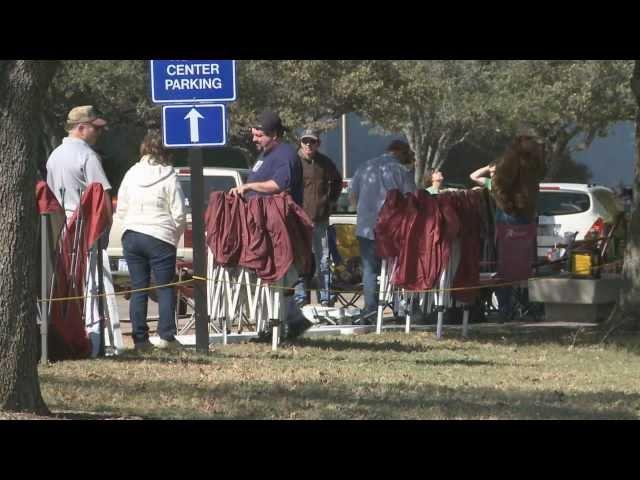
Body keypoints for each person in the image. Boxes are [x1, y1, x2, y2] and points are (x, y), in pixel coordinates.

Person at [46, 105, 122, 357]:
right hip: (85, 231)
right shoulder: (87, 155)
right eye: (95, 128)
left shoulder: (54, 156)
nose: (99, 133)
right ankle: (95, 342)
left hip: (59, 230)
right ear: (81, 128)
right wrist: (106, 229)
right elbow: (101, 196)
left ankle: (66, 338)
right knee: (93, 286)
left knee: (65, 287)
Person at [230, 111, 307, 341]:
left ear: (274, 135)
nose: (254, 139)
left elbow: (278, 184)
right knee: (268, 279)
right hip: (259, 226)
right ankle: (291, 322)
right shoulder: (265, 155)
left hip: (279, 227)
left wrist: (248, 187)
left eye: (259, 135)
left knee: (277, 277)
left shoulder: (285, 155)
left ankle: (279, 327)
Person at [115, 129, 187, 351]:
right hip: (160, 235)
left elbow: (122, 207)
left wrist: (131, 225)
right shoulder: (169, 174)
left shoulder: (131, 173)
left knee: (139, 288)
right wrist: (173, 236)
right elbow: (179, 213)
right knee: (165, 287)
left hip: (132, 234)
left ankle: (140, 340)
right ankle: (166, 336)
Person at [349, 140, 417, 323]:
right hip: (392, 229)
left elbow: (352, 195)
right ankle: (398, 308)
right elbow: (412, 199)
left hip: (366, 226)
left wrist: (362, 212)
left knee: (370, 270)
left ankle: (370, 310)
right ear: (400, 152)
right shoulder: (401, 171)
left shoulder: (364, 166)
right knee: (395, 269)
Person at [293, 128, 343, 307]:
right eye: (305, 141)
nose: (308, 144)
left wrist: (330, 202)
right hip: (299, 220)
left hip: (320, 220)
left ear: (318, 144)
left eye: (312, 141)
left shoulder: (325, 162)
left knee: (323, 259)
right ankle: (300, 298)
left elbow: (337, 181)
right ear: (300, 142)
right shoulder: (294, 161)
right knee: (300, 259)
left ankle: (326, 297)